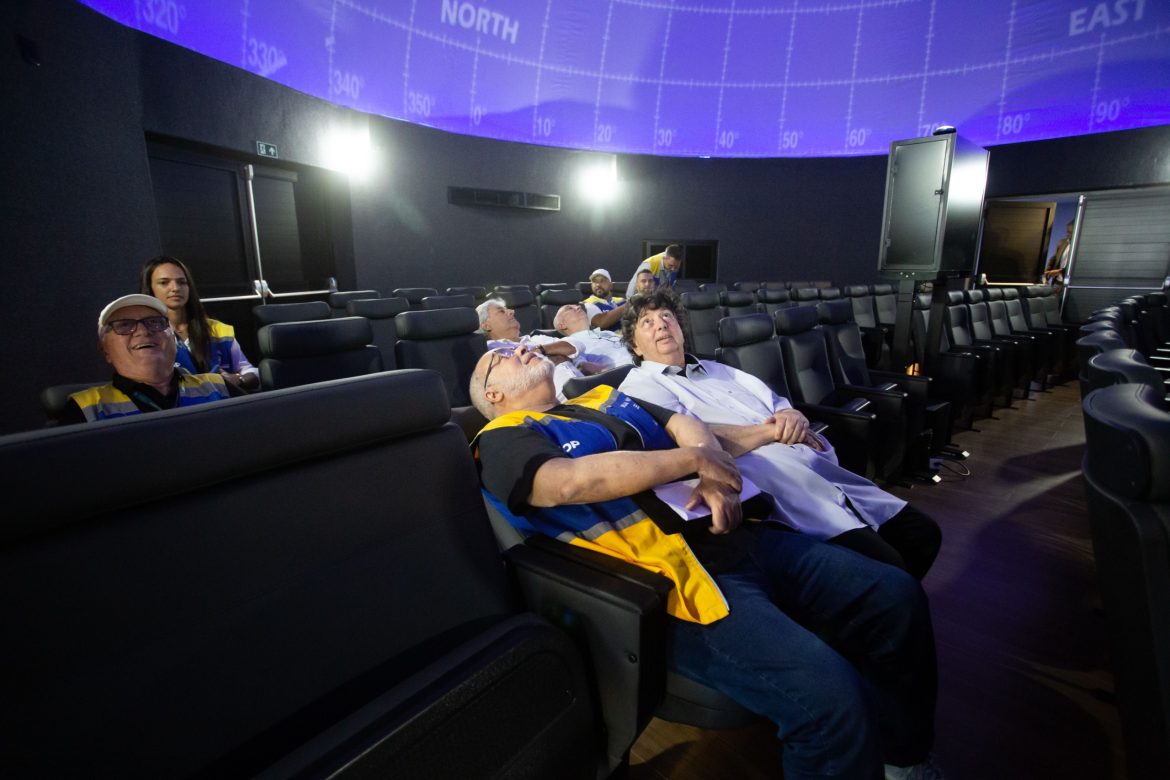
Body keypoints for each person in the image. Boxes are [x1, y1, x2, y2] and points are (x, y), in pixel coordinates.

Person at [469, 344, 942, 780]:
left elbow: (687, 426)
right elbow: (564, 482)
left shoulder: (601, 398)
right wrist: (694, 463)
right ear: (493, 393)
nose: (520, 347)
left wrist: (714, 473)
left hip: (742, 538)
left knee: (896, 596)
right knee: (830, 698)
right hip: (677, 585)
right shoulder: (501, 436)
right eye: (503, 355)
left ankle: (901, 760)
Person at [617, 288, 941, 580]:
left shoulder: (719, 369)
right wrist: (769, 432)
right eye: (647, 322)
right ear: (635, 345)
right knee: (890, 570)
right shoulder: (640, 385)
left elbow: (780, 407)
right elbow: (687, 440)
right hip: (781, 491)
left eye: (667, 316)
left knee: (924, 535)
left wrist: (792, 416)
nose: (661, 325)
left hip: (821, 470)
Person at [62, 294, 236, 423]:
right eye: (124, 325)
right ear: (105, 351)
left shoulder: (218, 387)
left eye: (154, 322)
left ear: (174, 340)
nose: (143, 331)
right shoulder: (86, 409)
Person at [139, 256, 259, 392]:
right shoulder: (144, 335)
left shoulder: (217, 329)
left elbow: (251, 372)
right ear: (150, 288)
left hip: (224, 401)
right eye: (164, 282)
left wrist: (238, 380)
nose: (175, 288)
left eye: (182, 282)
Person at [476, 297, 592, 399]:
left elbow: (576, 344)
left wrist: (540, 350)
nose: (512, 312)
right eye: (501, 311)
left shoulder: (537, 338)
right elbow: (520, 376)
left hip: (588, 389)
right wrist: (557, 355)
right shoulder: (490, 350)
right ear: (486, 325)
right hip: (560, 403)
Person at [552, 303, 634, 371]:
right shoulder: (568, 343)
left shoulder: (607, 332)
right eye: (570, 308)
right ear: (562, 325)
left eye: (577, 306)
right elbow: (581, 365)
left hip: (640, 365)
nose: (578, 307)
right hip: (623, 375)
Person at [1043, 220, 1074, 288]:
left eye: (1070, 232)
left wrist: (1060, 271)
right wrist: (1046, 274)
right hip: (1057, 282)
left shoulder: (1081, 248)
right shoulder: (1062, 242)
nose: (1067, 234)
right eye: (1067, 231)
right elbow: (1054, 259)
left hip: (1070, 284)